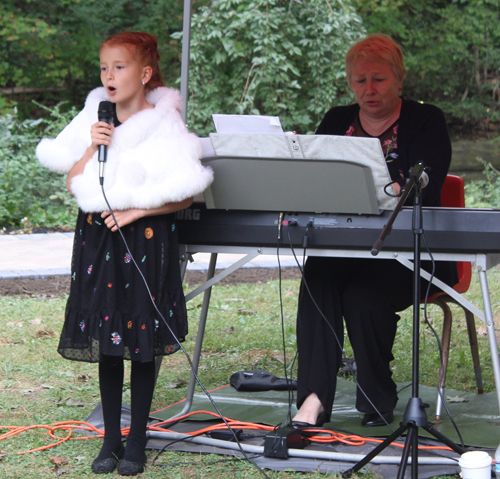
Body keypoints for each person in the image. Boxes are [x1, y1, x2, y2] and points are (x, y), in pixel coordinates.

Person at [36, 32, 213, 475]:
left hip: (145, 238)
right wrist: (93, 145)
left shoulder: (165, 122)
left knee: (139, 335)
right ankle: (110, 438)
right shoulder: (97, 116)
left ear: (145, 73)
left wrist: (135, 211)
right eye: (103, 67)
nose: (109, 76)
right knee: (108, 333)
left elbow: (186, 193)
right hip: (98, 237)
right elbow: (73, 181)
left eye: (119, 67)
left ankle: (137, 438)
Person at [291, 34, 458, 429]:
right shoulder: (335, 120)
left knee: (364, 296)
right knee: (317, 278)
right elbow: (315, 179)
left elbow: (428, 186)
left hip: (413, 253)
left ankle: (376, 397)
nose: (369, 89)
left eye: (379, 79)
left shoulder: (426, 119)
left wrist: (388, 190)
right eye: (360, 80)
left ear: (399, 80)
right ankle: (313, 399)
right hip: (347, 247)